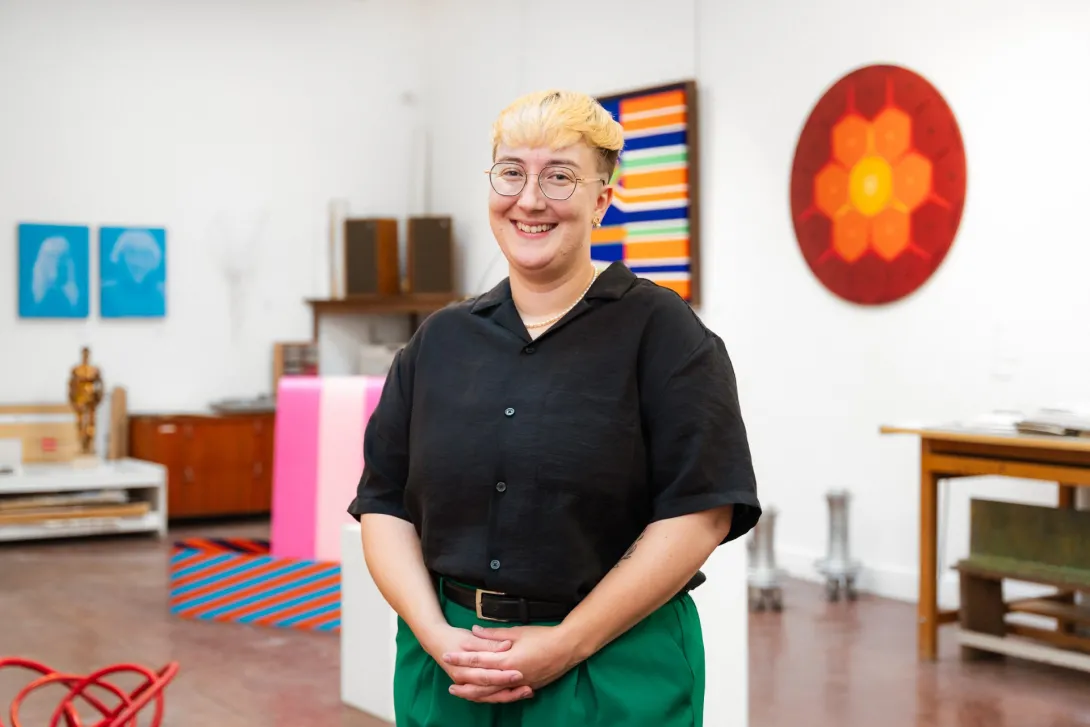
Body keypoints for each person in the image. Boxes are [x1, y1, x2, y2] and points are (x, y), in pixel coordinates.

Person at [347, 88, 761, 726]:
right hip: (452, 668)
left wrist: (568, 643)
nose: (530, 199)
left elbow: (701, 512)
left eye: (560, 176)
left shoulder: (663, 333)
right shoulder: (440, 341)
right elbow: (383, 504)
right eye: (511, 172)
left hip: (614, 667)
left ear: (601, 200)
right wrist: (435, 634)